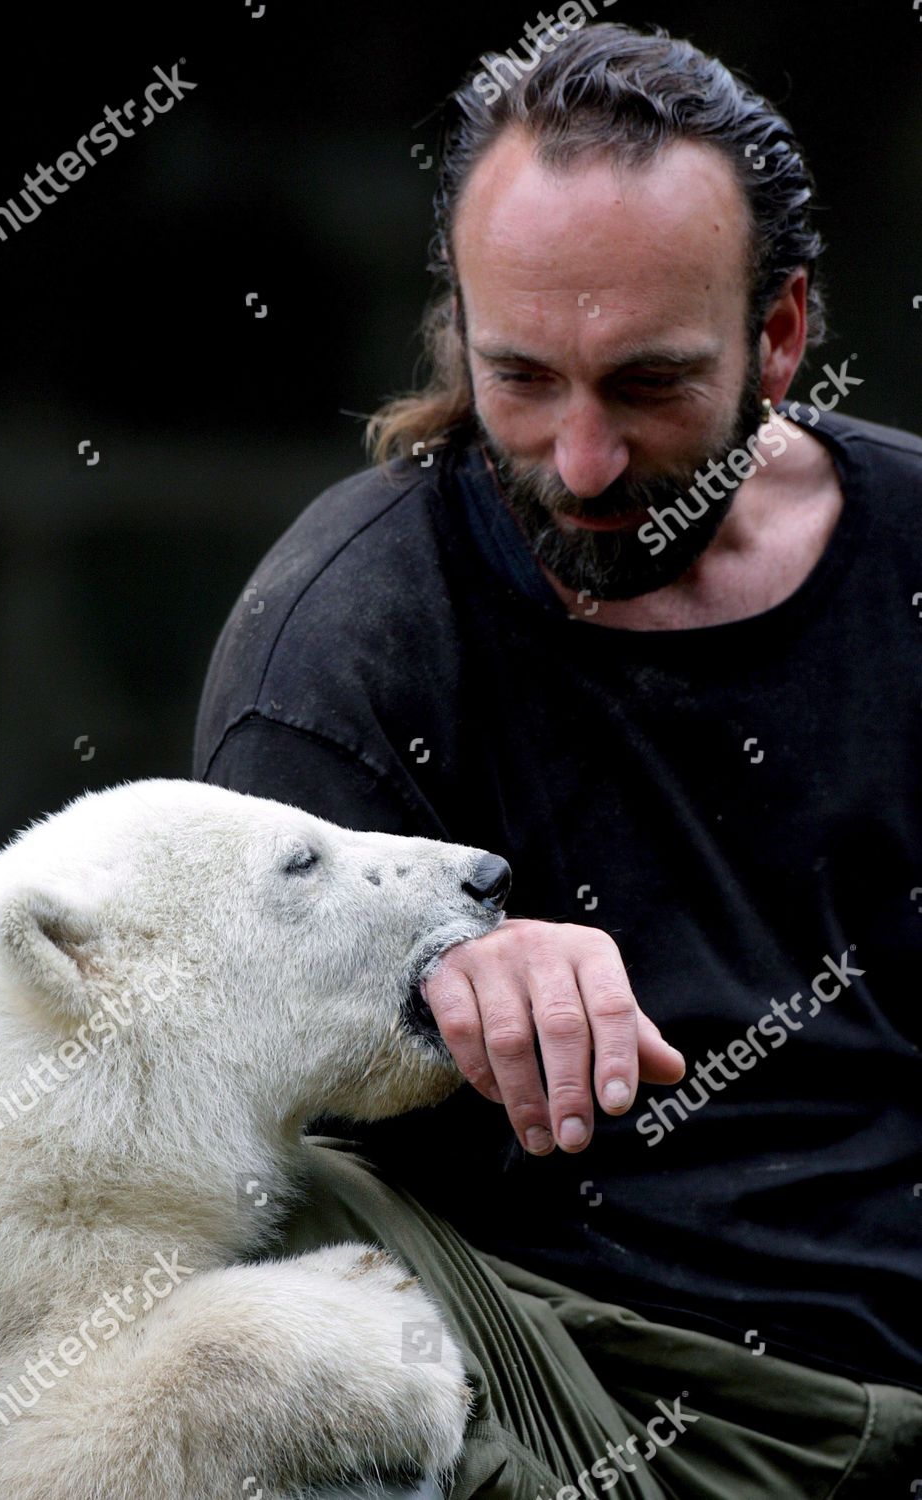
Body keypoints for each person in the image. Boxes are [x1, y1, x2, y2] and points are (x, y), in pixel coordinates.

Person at [193, 21, 922, 1496]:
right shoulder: (347, 641)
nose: (580, 461)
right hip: (575, 1398)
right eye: (522, 378)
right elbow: (210, 1098)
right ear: (460, 327)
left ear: (781, 334)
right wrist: (418, 972)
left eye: (647, 386)